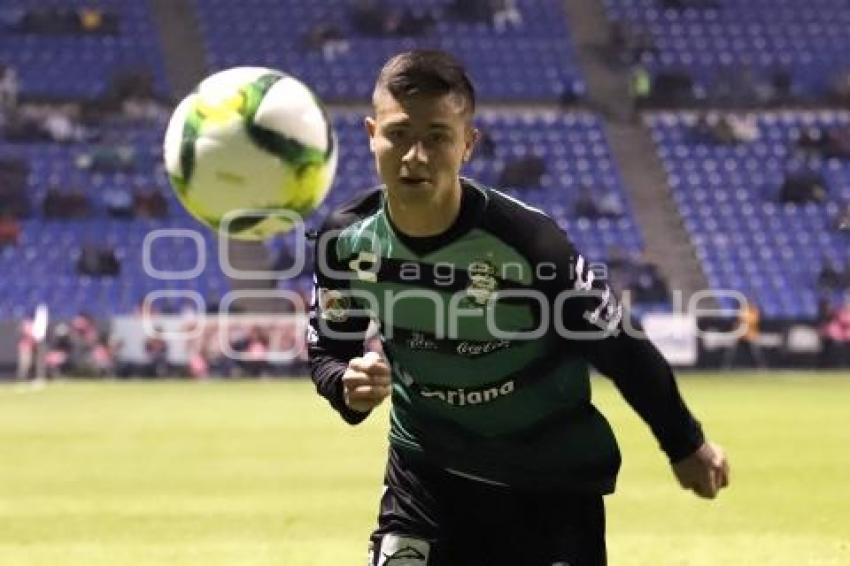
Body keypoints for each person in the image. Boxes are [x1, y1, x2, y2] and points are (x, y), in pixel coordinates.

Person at [308, 50, 729, 566]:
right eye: (398, 134)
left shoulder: (529, 243)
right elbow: (330, 348)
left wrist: (684, 443)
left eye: (437, 136)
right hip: (428, 472)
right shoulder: (344, 241)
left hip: (549, 480)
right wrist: (347, 386)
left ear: (468, 144)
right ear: (371, 134)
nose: (415, 155)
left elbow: (619, 344)